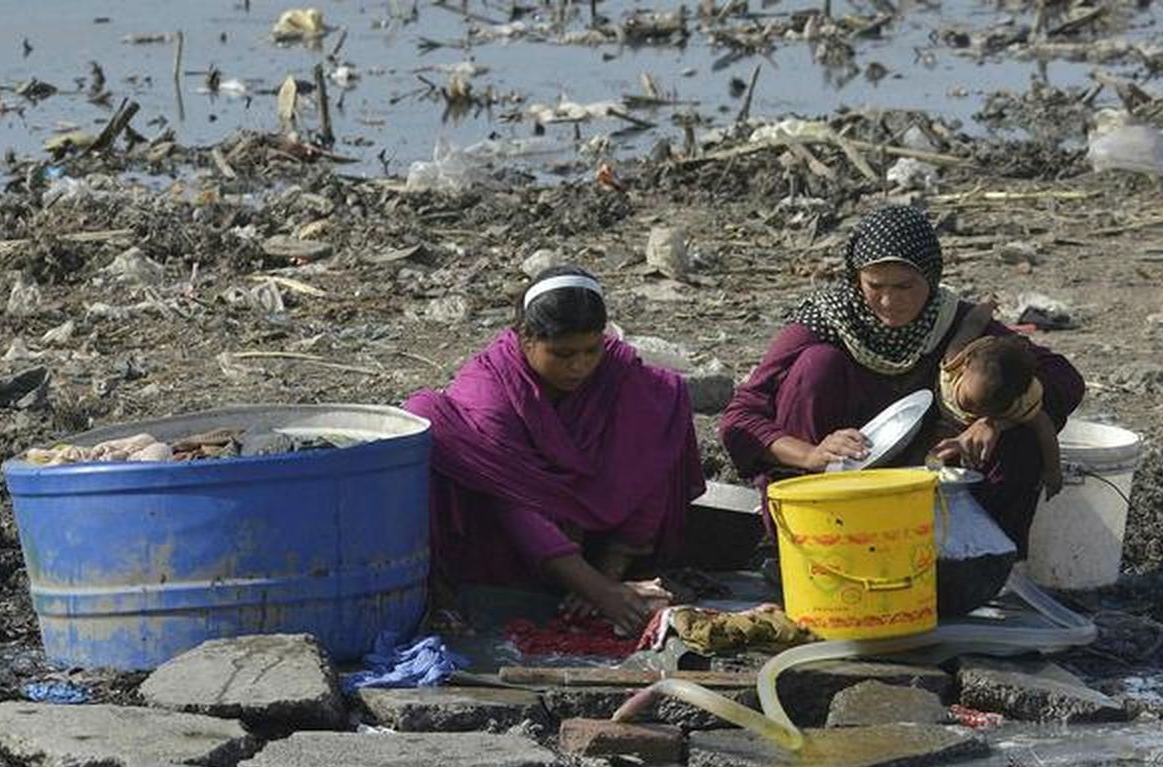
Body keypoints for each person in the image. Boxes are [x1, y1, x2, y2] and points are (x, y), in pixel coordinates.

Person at [719, 205, 1084, 555]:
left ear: (931, 275)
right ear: (856, 277)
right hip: (833, 489)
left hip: (927, 482)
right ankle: (805, 545)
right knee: (817, 365)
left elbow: (1063, 378)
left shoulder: (954, 324)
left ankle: (984, 560)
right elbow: (740, 419)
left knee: (1018, 409)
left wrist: (995, 421)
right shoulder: (824, 322)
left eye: (905, 286)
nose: (890, 301)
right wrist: (812, 455)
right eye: (875, 285)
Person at [404, 266, 703, 634]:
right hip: (507, 540)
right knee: (426, 420)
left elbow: (649, 468)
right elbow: (512, 503)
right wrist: (599, 591)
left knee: (662, 403)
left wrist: (608, 572)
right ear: (526, 338)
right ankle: (447, 594)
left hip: (598, 535)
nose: (579, 366)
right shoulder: (490, 389)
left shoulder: (619, 377)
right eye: (562, 354)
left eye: (591, 350)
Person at [937, 334, 1063, 502]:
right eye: (968, 400)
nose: (976, 411)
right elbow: (970, 327)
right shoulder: (953, 363)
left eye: (988, 410)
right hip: (947, 419)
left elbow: (1044, 425)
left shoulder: (1016, 404)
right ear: (965, 365)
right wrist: (982, 310)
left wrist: (1053, 470)